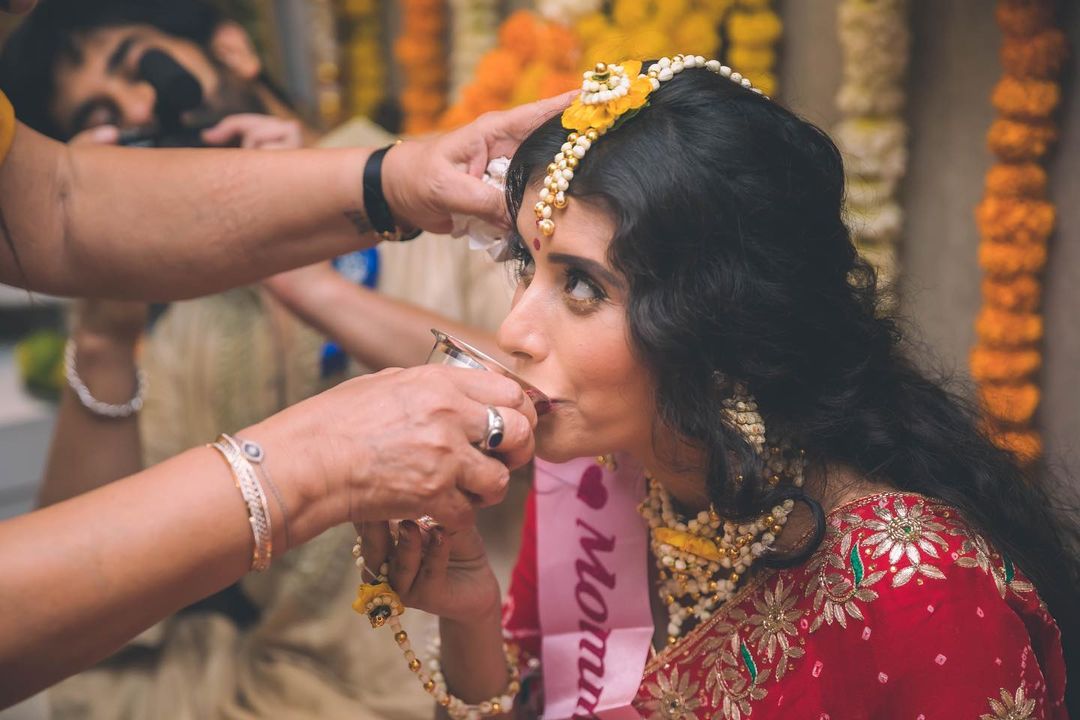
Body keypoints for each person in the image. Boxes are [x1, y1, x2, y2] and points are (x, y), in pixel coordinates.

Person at [361, 58, 1080, 717]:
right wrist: (470, 617)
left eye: (581, 285)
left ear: (719, 324)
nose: (513, 329)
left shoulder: (919, 592)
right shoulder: (596, 474)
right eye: (527, 264)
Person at [0, 18, 570, 708]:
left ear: (232, 46)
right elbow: (80, 598)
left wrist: (306, 271)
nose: (142, 111)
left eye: (140, 66)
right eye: (102, 120)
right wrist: (102, 338)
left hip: (504, 666)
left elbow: (563, 412)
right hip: (286, 691)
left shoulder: (453, 188)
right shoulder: (190, 323)